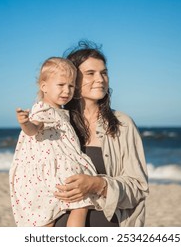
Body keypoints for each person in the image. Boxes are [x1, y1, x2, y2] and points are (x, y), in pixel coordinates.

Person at [53, 41, 149, 227]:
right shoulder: (55, 124)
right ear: (73, 79)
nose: (100, 79)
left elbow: (139, 188)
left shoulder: (123, 124)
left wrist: (97, 184)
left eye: (104, 73)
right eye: (90, 73)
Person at [9, 57, 102, 227]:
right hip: (53, 170)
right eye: (61, 85)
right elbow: (34, 129)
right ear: (44, 86)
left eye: (71, 86)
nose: (67, 90)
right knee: (80, 205)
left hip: (55, 169)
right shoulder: (43, 110)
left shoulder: (62, 112)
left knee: (49, 218)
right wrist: (25, 123)